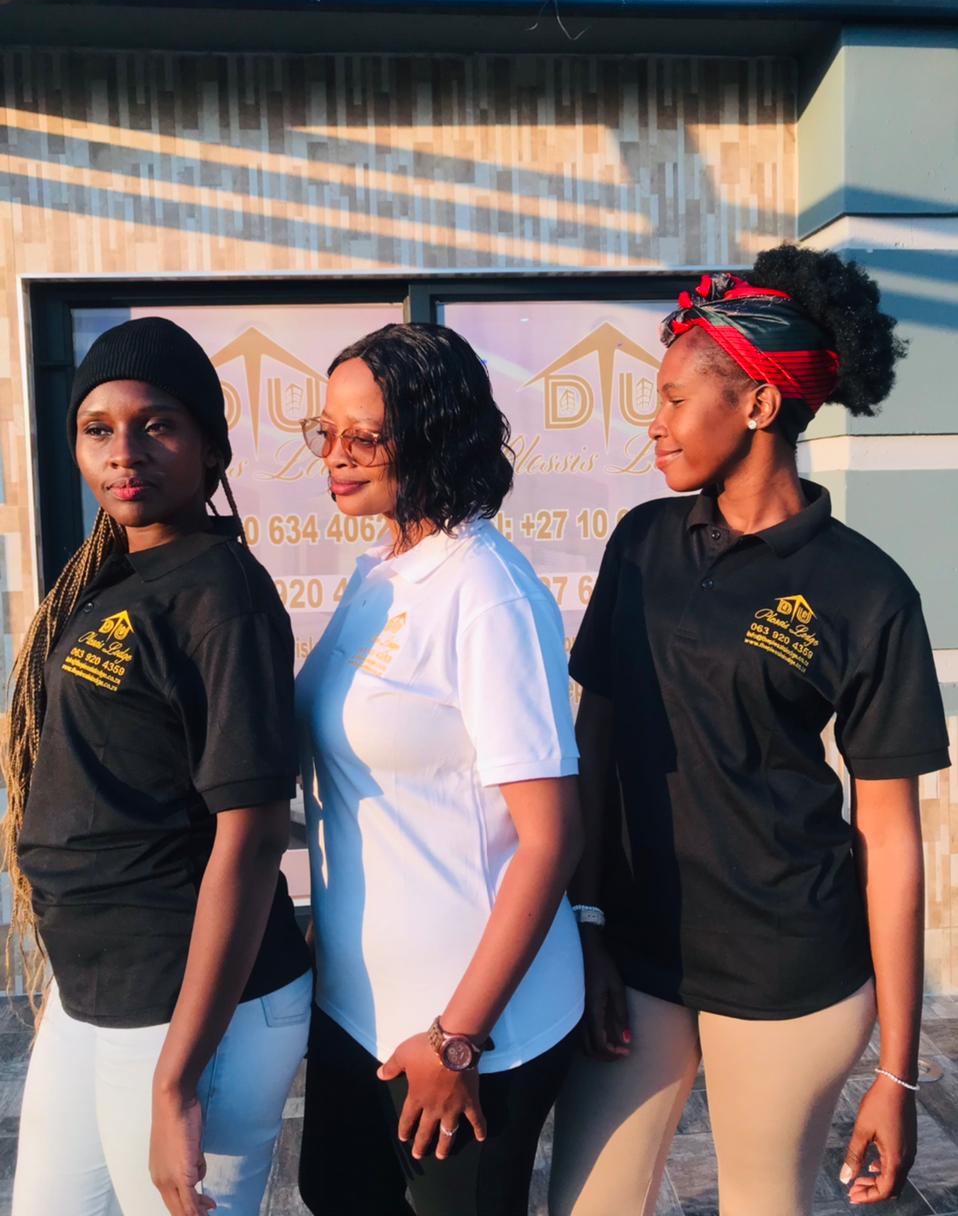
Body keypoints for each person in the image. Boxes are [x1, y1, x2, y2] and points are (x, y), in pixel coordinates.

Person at [548, 246, 950, 1215]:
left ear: (760, 404)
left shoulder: (866, 590)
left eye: (676, 398)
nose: (654, 421)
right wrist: (587, 923)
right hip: (637, 955)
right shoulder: (642, 543)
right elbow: (592, 745)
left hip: (789, 970)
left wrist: (897, 1073)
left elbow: (889, 837)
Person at [5, 317, 312, 1216]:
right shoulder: (112, 574)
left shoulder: (224, 595)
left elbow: (252, 839)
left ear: (211, 447)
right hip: (97, 986)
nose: (123, 452)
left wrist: (176, 1083)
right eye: (97, 429)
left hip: (191, 1001)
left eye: (157, 425)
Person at [295, 322, 584, 1216]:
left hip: (468, 1031)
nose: (335, 456)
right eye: (326, 431)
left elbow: (550, 840)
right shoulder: (381, 569)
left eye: (364, 437)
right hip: (356, 1009)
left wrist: (458, 1039)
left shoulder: (487, 591)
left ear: (433, 435)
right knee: (336, 1196)